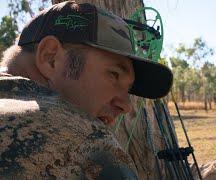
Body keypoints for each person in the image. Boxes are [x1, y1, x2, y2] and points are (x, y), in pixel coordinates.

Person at [0, 1, 173, 179]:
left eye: (128, 89)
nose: (126, 106)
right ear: (50, 58)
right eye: (113, 74)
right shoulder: (85, 143)